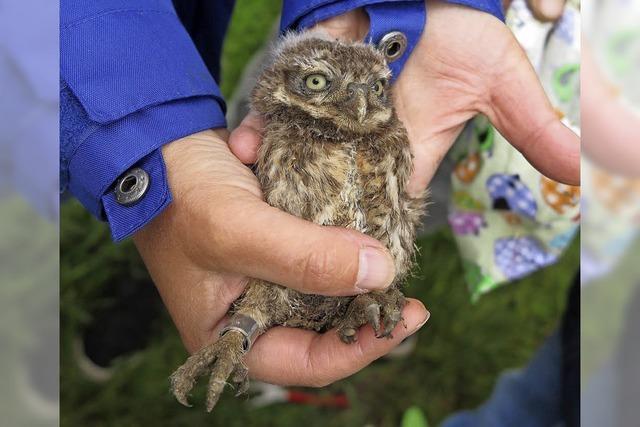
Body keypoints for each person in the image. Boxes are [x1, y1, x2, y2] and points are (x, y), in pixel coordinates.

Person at [60, 0, 579, 388]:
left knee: (423, 178)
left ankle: (369, 298)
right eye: (315, 84)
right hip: (137, 46)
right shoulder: (283, 121)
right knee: (227, 185)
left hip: (497, 59)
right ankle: (188, 285)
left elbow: (400, 206)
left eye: (376, 90)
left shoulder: (396, 128)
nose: (355, 108)